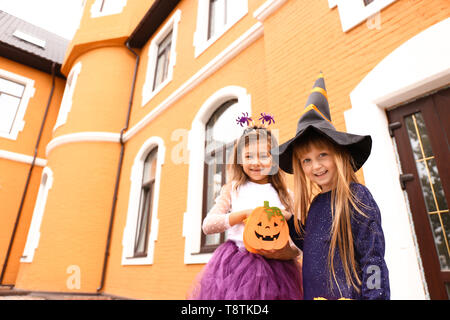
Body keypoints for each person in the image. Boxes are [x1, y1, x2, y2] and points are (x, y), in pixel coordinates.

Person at [275, 72, 390, 300]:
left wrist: (375, 298)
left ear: (339, 155)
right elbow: (313, 245)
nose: (315, 166)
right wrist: (287, 220)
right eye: (306, 160)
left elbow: (373, 259)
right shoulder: (317, 203)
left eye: (323, 155)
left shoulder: (357, 198)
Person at [188, 123, 303, 300]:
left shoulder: (287, 196)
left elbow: (301, 240)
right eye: (248, 156)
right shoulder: (233, 189)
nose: (256, 162)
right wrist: (242, 215)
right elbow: (208, 225)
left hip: (279, 269)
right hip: (237, 265)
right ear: (240, 160)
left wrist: (287, 248)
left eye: (264, 155)